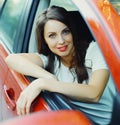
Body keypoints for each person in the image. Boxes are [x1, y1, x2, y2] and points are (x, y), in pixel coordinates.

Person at [5, 6, 116, 125]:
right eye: (52, 36)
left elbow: (94, 93)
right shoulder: (50, 61)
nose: (61, 41)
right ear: (45, 40)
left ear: (72, 32)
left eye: (65, 32)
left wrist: (43, 83)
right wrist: (48, 77)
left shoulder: (94, 50)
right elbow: (11, 59)